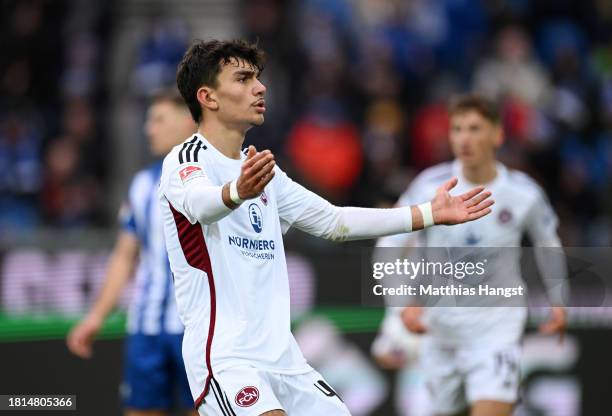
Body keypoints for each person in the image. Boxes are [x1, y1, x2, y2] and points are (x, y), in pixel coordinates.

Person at [159, 39, 494, 416]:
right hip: (226, 358)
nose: (259, 87)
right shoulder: (186, 160)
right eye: (242, 78)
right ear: (208, 97)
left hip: (285, 358)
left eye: (257, 77)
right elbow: (201, 205)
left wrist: (428, 214)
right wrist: (237, 191)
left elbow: (334, 221)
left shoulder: (265, 174)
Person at [372, 94, 568, 416]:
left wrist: (559, 301)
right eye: (457, 129)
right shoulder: (429, 187)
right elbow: (390, 244)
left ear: (497, 134)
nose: (465, 138)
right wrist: (400, 305)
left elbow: (549, 245)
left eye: (475, 129)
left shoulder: (524, 193)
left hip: (497, 326)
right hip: (441, 328)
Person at [67, 89, 198, 416]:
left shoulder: (217, 179)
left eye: (158, 119)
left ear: (189, 122)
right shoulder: (141, 184)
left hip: (199, 330)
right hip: (146, 327)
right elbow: (125, 256)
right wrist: (96, 316)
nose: (148, 129)